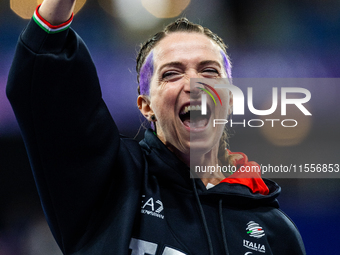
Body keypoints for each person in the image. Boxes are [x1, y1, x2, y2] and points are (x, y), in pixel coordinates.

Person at [7, 0, 306, 254]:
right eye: (172, 74)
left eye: (209, 71)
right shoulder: (111, 180)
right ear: (146, 106)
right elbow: (44, 78)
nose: (193, 83)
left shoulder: (274, 230)